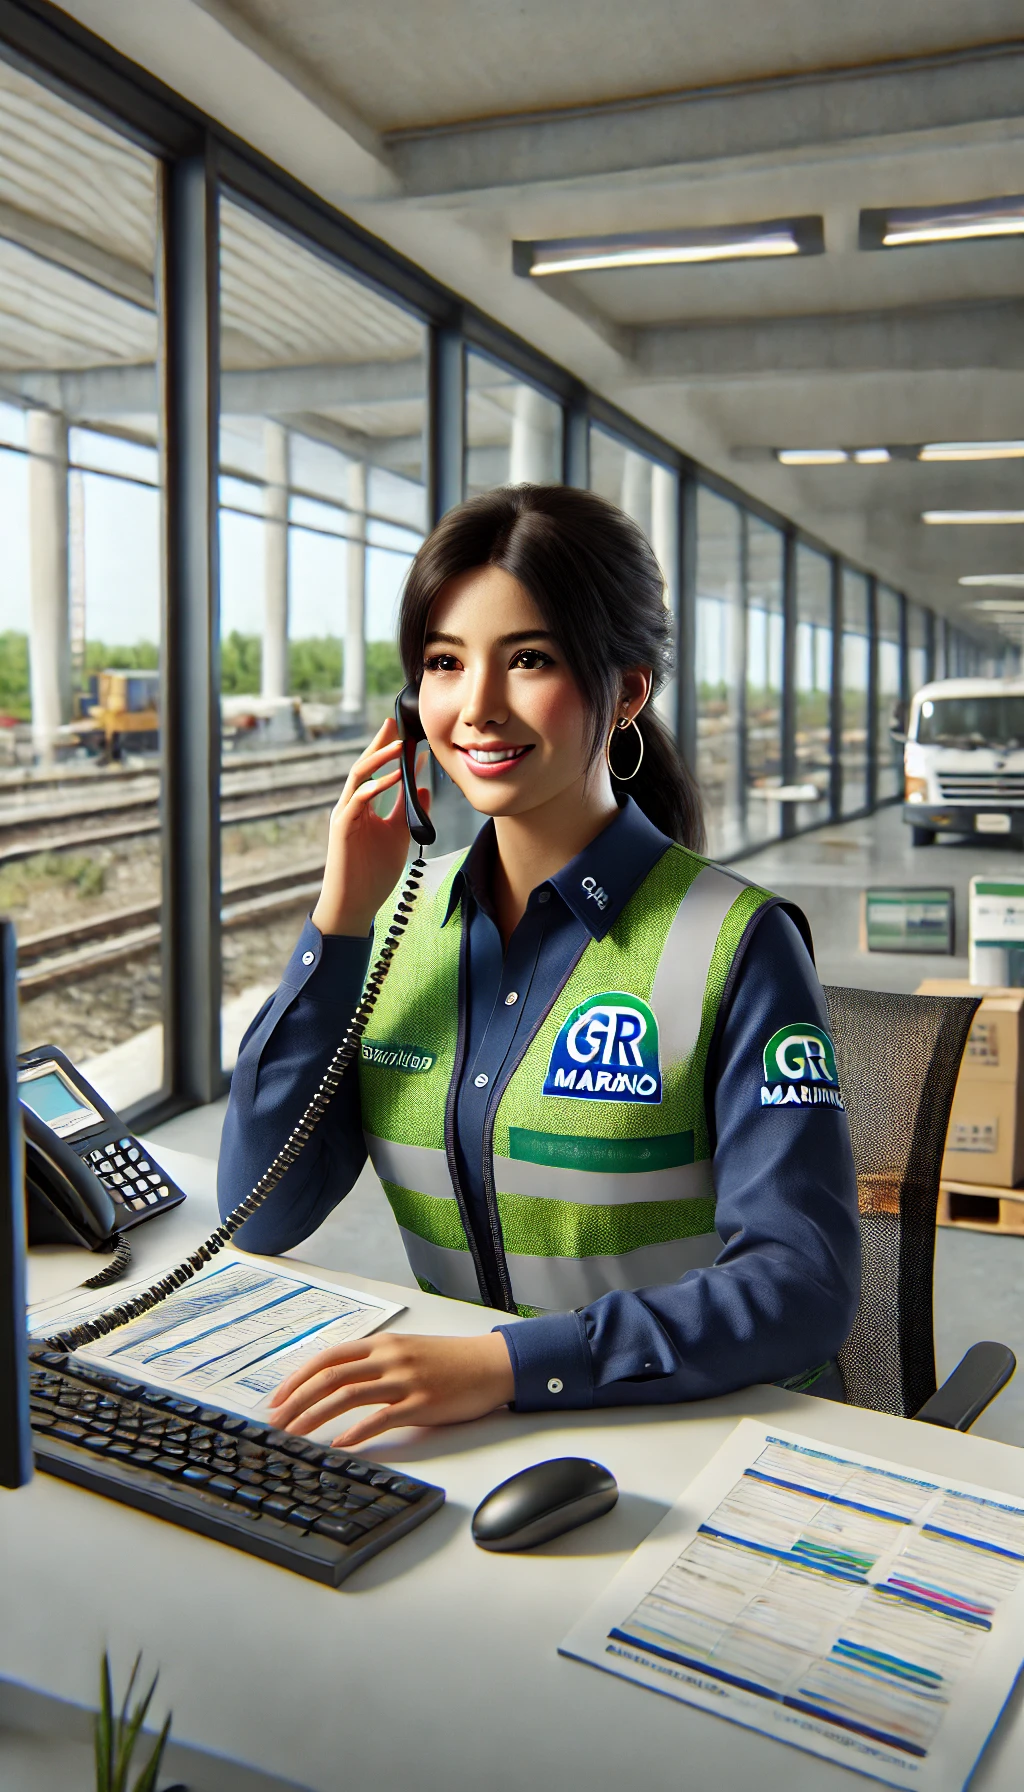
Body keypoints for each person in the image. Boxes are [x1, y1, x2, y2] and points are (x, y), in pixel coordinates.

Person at [218, 484, 860, 1451]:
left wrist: (507, 1366)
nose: (476, 708)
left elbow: (802, 1288)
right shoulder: (398, 925)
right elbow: (259, 1215)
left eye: (529, 660)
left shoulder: (735, 941)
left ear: (627, 691)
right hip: (482, 1442)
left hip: (700, 1436)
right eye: (443, 663)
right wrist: (341, 914)